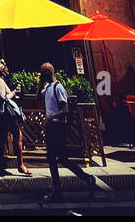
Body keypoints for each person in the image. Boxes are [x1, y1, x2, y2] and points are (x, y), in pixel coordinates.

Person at [39, 62, 97, 202]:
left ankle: (60, 191)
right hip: (51, 127)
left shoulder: (58, 88)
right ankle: (84, 180)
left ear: (48, 73)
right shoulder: (47, 88)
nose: (41, 75)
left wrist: (51, 117)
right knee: (56, 159)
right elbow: (37, 97)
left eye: (42, 72)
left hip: (57, 127)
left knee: (57, 159)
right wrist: (40, 84)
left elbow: (65, 109)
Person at [0, 58, 29, 176]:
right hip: (5, 114)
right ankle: (20, 165)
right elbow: (3, 97)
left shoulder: (0, 81)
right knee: (17, 136)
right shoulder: (0, 81)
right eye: (6, 68)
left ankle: (0, 166)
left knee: (2, 139)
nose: (8, 70)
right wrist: (13, 92)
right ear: (2, 70)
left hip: (2, 114)